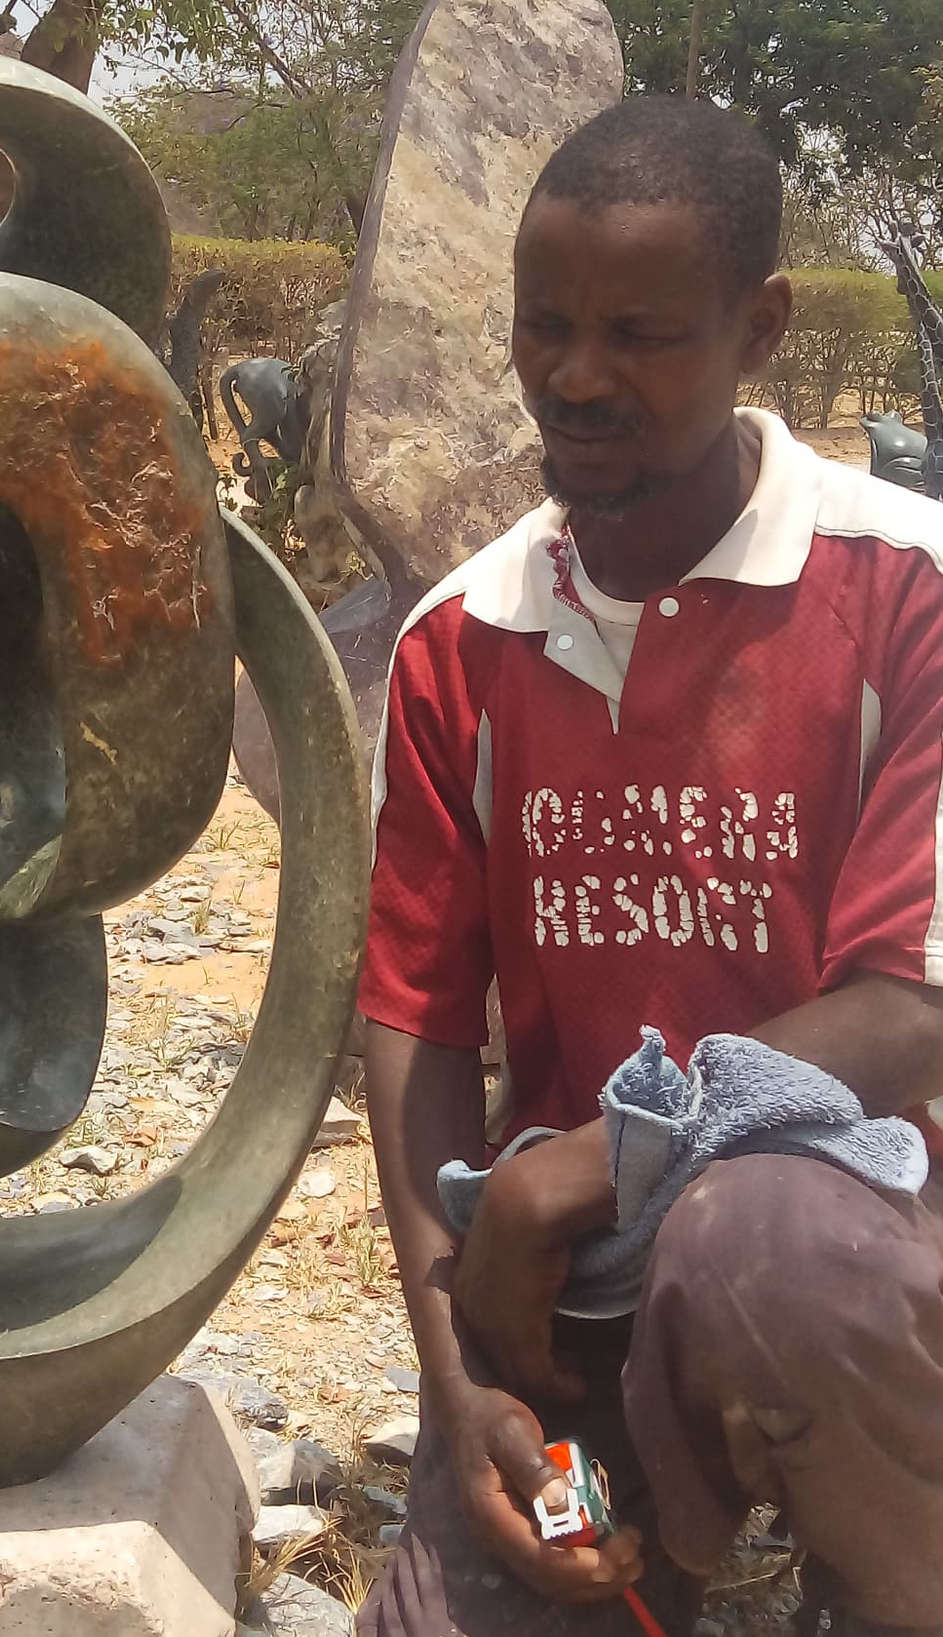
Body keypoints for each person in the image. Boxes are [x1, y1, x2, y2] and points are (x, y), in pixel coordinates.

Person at [357, 97, 943, 1637]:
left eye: (639, 331)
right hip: (571, 1310)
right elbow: (414, 1021)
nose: (575, 377)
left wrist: (606, 1155)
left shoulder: (904, 594)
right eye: (543, 327)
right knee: (496, 1591)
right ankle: (653, 1546)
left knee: (755, 1239)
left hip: (857, 1263)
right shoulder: (466, 646)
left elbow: (908, 1007)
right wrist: (462, 1369)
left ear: (761, 327)